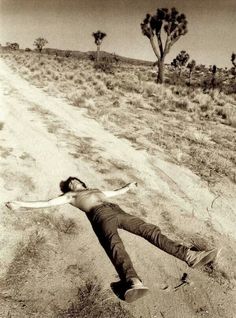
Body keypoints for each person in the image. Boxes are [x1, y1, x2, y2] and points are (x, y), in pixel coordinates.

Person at [5, 177, 219, 302]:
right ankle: (133, 281)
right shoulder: (69, 197)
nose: (74, 182)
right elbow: (47, 203)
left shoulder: (96, 190)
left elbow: (114, 193)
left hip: (117, 211)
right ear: (68, 189)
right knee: (115, 246)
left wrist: (128, 187)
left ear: (81, 181)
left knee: (151, 231)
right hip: (100, 216)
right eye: (70, 183)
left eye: (75, 179)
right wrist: (21, 204)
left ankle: (190, 256)